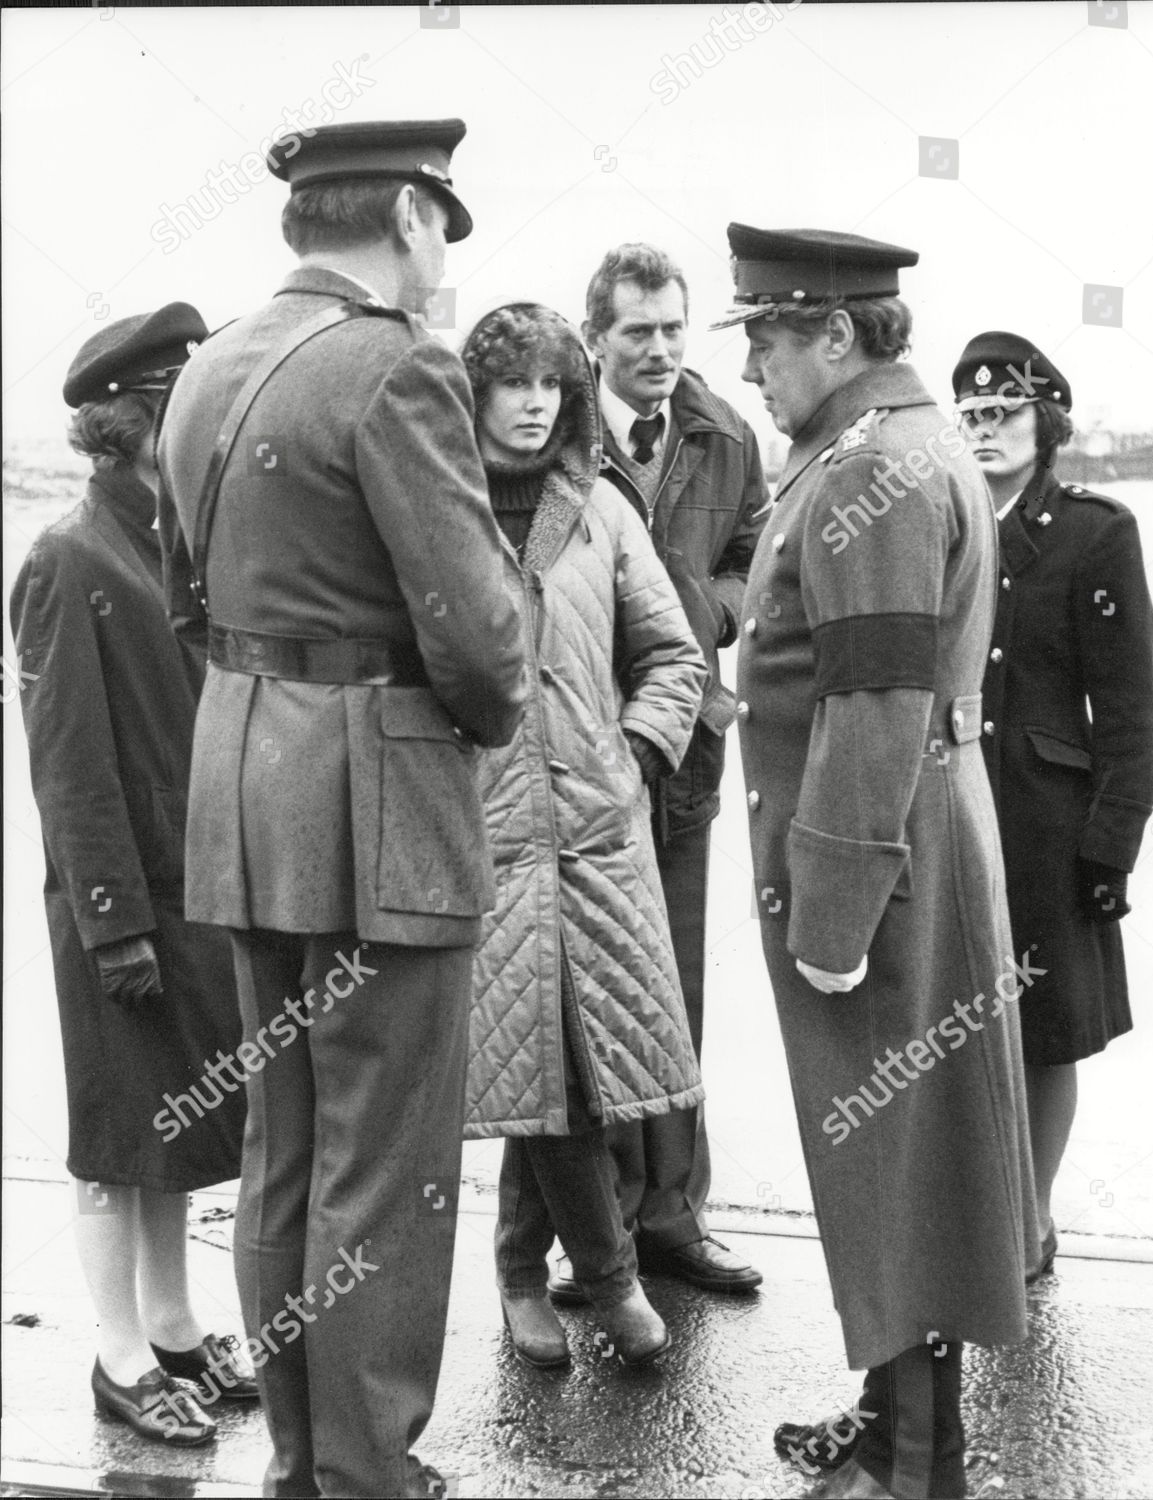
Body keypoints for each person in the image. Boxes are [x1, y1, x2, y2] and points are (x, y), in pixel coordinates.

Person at [156, 121, 526, 1499]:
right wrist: (481, 714)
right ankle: (370, 1475)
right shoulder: (398, 366)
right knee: (389, 1157)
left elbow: (188, 596)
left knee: (286, 1146)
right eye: (444, 230)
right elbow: (483, 640)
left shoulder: (209, 365)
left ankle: (308, 1457)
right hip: (379, 807)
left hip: (244, 785)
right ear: (417, 218)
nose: (441, 262)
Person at [714, 226, 1041, 1499]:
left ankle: (918, 1463)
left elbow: (877, 703)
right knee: (901, 1159)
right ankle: (889, 1419)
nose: (753, 368)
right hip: (915, 843)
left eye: (766, 338)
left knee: (903, 1165)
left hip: (880, 858)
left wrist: (834, 911)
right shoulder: (885, 449)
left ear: (836, 333)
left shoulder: (879, 473)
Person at [9, 306, 254, 1449]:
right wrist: (112, 925)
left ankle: (173, 1326)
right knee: (117, 1136)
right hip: (120, 901)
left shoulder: (175, 543)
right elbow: (67, 765)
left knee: (178, 1125)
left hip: (187, 885)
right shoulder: (67, 556)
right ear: (137, 423)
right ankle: (116, 1358)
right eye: (181, 409)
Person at [459, 301, 707, 1369]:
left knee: (565, 1066)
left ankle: (527, 1273)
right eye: (512, 384)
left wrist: (635, 756)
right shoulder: (438, 509)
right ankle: (604, 1282)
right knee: (542, 1068)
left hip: (600, 839)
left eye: (551, 385)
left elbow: (676, 658)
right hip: (489, 842)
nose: (532, 405)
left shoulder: (602, 509)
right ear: (473, 395)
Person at [544, 243, 767, 1306]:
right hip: (582, 761)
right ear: (597, 341)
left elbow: (756, 556)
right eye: (638, 332)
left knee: (674, 983)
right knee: (582, 998)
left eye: (675, 329)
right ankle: (598, 1239)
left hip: (688, 748)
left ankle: (675, 1219)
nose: (662, 350)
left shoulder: (725, 434)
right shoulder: (556, 438)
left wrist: (706, 616)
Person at [952, 332, 1153, 1280]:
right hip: (950, 811)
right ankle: (965, 1214)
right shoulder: (939, 521)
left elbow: (1127, 706)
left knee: (1043, 1031)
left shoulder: (1093, 531)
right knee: (945, 1024)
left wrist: (1110, 843)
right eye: (970, 415)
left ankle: (1026, 1221)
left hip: (1046, 823)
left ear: (1046, 423)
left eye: (1004, 413)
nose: (985, 429)